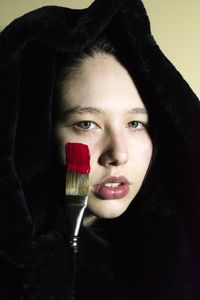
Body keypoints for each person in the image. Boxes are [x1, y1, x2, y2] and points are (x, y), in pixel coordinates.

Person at [0, 0, 199, 299]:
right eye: (87, 124)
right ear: (39, 133)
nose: (118, 154)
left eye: (135, 123)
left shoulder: (182, 255)